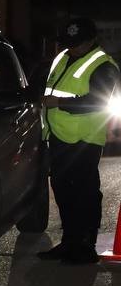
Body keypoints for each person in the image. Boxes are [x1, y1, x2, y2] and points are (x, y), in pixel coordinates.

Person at [37, 16, 119, 265]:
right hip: (58, 136)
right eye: (69, 42)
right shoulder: (62, 57)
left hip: (84, 139)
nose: (72, 48)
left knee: (85, 192)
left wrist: (59, 103)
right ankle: (70, 241)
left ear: (92, 39)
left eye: (78, 43)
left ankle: (85, 246)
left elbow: (96, 102)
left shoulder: (104, 65)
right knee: (63, 190)